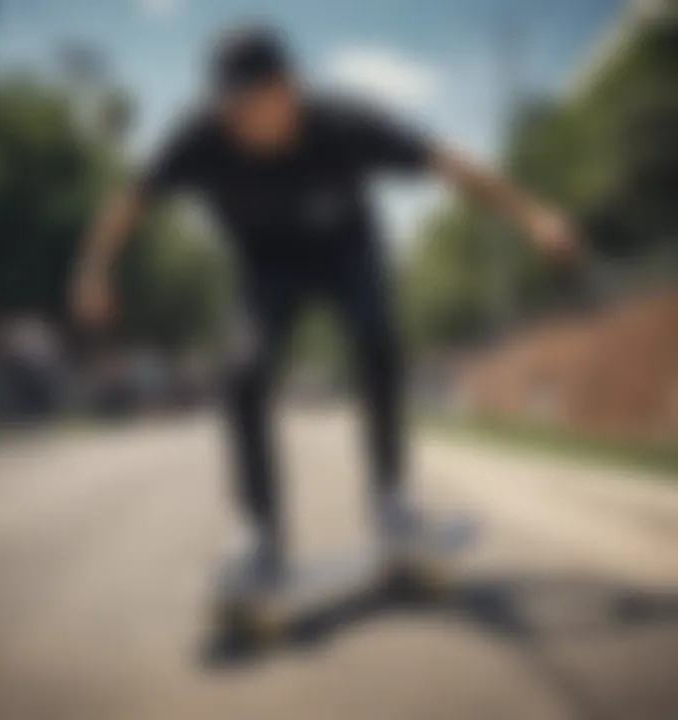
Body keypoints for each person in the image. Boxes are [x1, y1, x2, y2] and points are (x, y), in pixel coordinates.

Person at [71, 26, 580, 586]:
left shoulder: (345, 125)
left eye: (251, 103)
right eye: (229, 106)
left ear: (288, 88)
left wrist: (534, 214)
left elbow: (450, 164)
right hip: (266, 264)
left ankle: (391, 504)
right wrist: (95, 268)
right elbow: (131, 199)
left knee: (378, 340)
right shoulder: (201, 136)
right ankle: (260, 532)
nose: (239, 119)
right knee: (241, 372)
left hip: (346, 249)